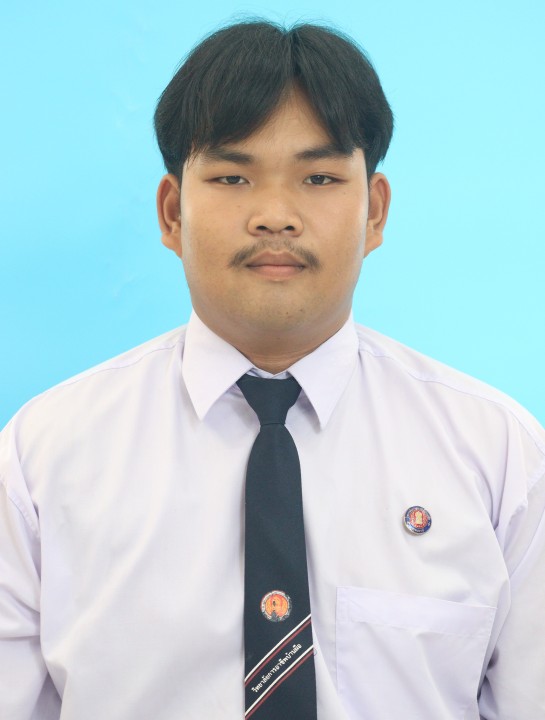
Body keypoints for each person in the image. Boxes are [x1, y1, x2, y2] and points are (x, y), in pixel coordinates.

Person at [1, 18, 544, 720]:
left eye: (319, 178)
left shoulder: (499, 454)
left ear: (375, 212)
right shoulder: (41, 457)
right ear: (171, 213)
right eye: (232, 177)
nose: (275, 216)